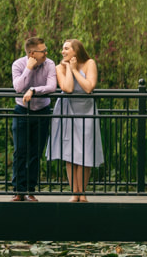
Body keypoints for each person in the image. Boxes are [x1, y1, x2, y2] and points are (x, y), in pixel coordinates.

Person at [45, 38, 104, 202]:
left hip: (87, 110)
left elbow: (88, 87)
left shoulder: (89, 63)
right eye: (62, 49)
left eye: (66, 48)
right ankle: (74, 192)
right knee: (70, 152)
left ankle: (83, 192)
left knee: (85, 151)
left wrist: (74, 69)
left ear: (76, 50)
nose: (62, 51)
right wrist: (68, 69)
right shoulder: (59, 68)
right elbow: (68, 88)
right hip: (67, 110)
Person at [10, 36, 57, 202]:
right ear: (31, 53)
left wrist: (33, 90)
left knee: (36, 152)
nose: (46, 53)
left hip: (42, 111)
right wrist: (28, 69)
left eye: (45, 50)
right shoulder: (18, 65)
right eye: (42, 51)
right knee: (20, 151)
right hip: (22, 111)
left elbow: (52, 87)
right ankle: (18, 190)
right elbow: (18, 88)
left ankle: (30, 190)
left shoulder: (49, 64)